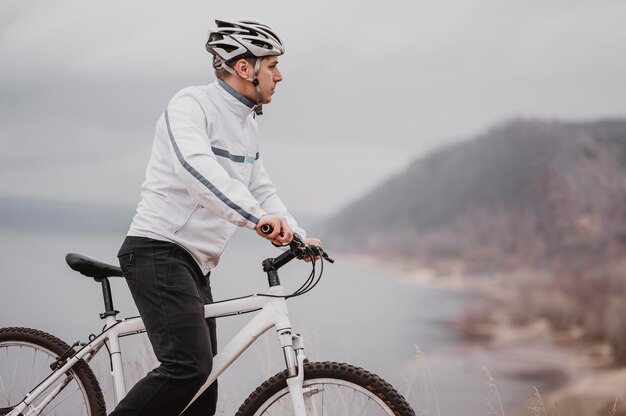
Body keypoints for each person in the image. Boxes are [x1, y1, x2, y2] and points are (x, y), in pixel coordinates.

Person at [110, 18, 322, 416]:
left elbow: (262, 188)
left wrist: (298, 236)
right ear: (245, 68)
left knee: (201, 389)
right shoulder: (191, 105)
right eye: (272, 65)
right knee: (188, 369)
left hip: (194, 263)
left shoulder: (246, 127)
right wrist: (256, 219)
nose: (280, 75)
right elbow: (196, 169)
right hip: (158, 249)